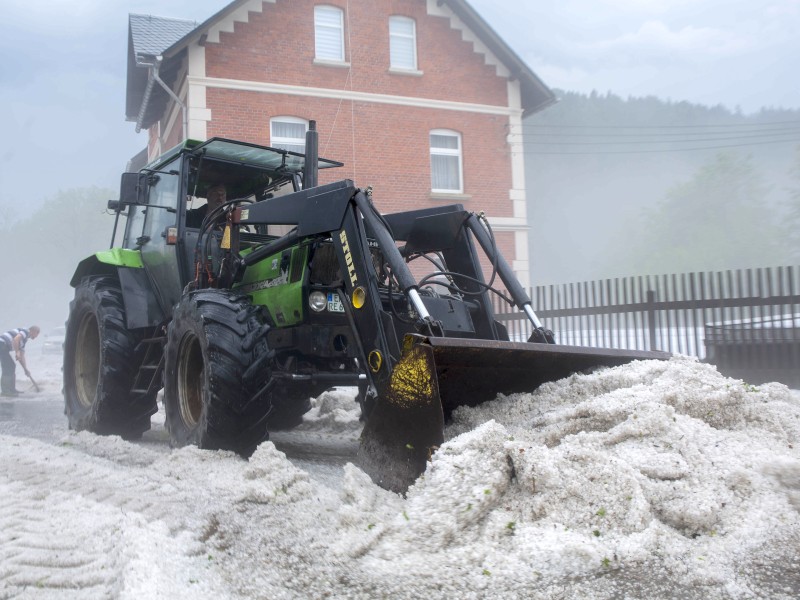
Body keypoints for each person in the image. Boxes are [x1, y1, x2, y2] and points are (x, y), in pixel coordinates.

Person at [0, 326, 40, 396]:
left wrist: (25, 369)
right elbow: (16, 339)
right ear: (33, 331)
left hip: (3, 346)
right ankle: (5, 391)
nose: (36, 336)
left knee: (11, 366)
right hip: (1, 344)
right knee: (8, 367)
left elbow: (21, 357)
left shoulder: (23, 342)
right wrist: (17, 352)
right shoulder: (25, 331)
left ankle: (12, 390)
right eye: (37, 334)